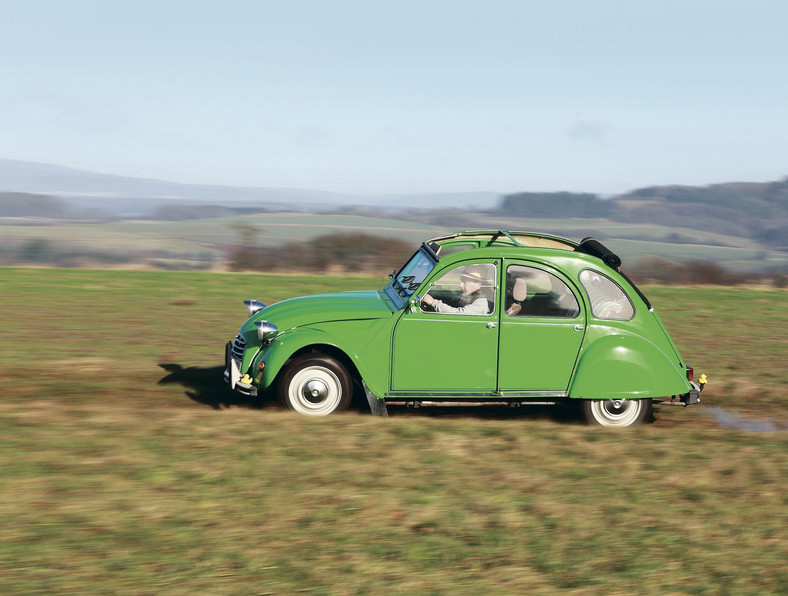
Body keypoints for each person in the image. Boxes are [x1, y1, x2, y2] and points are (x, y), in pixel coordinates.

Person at [421, 266, 490, 315]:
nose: (460, 285)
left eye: (465, 282)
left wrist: (433, 302)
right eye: (461, 281)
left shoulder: (481, 302)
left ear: (478, 285)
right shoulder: (470, 296)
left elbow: (458, 314)